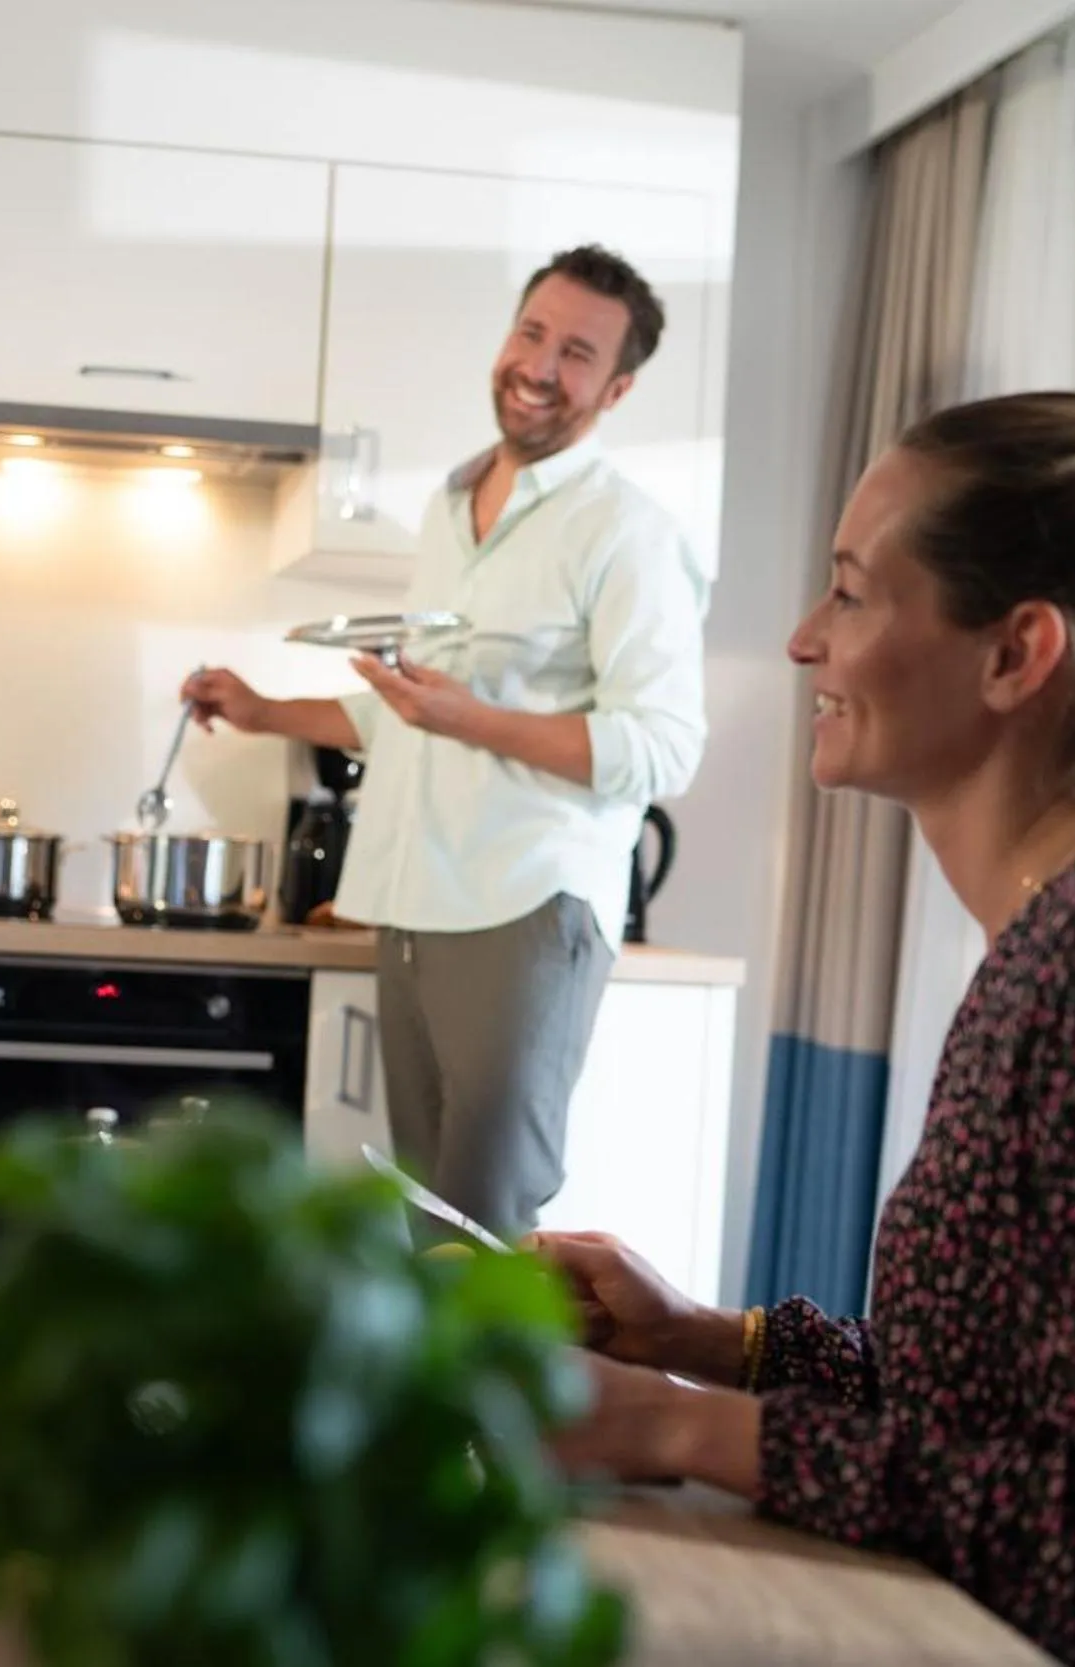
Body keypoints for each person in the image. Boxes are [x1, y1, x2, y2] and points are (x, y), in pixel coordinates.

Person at [537, 393, 1075, 1664]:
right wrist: (707, 1341)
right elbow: (995, 1403)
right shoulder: (1063, 933)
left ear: (1014, 655)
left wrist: (672, 1424)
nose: (804, 639)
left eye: (850, 593)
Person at [185, 244, 708, 1240]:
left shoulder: (627, 530)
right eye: (531, 333)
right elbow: (413, 712)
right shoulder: (450, 505)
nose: (540, 366)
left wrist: (469, 717)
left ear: (617, 388)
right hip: (414, 900)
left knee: (486, 1222)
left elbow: (663, 747)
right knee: (429, 1224)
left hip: (524, 904)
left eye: (578, 353)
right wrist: (264, 710)